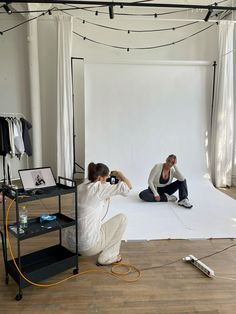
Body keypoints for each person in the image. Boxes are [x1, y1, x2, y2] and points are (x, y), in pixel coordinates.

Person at [64, 162, 132, 266]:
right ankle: (109, 257)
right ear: (100, 178)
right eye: (105, 178)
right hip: (87, 248)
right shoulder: (100, 189)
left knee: (93, 223)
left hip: (70, 244)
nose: (106, 181)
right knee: (123, 218)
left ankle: (87, 249)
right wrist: (120, 174)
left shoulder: (80, 187)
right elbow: (129, 187)